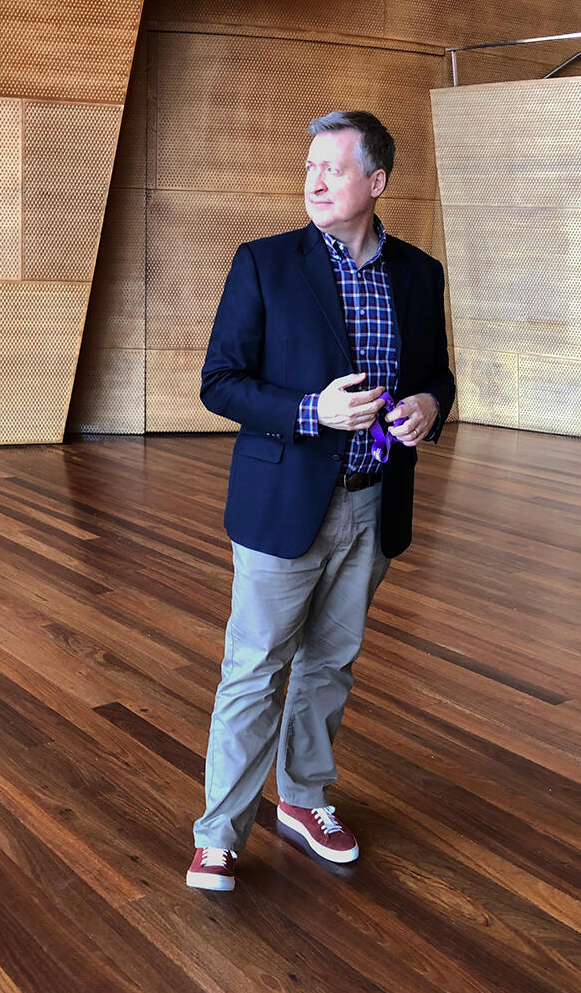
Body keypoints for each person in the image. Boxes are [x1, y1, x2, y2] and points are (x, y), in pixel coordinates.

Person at [186, 110, 455, 892]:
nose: (314, 180)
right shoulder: (264, 264)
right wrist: (313, 412)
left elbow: (435, 376)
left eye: (333, 169)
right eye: (310, 167)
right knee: (255, 669)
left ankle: (303, 799)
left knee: (330, 665)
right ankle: (219, 835)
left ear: (376, 183)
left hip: (372, 504)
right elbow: (220, 383)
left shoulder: (418, 273)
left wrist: (430, 407)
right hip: (285, 505)